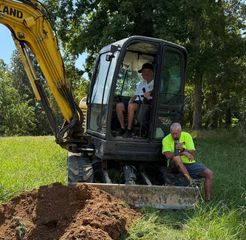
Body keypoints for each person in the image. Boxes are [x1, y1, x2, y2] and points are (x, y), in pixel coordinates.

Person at [162, 122, 213, 201]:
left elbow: (193, 153)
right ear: (170, 132)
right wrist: (184, 153)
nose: (175, 136)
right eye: (173, 134)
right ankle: (190, 180)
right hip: (174, 165)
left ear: (181, 132)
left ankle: (208, 199)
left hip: (189, 164)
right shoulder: (166, 139)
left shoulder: (187, 136)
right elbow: (168, 155)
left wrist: (183, 149)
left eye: (176, 134)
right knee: (176, 158)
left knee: (209, 173)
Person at [116, 63, 154, 137]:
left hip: (145, 103)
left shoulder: (155, 83)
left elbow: (153, 93)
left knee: (131, 106)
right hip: (136, 101)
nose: (142, 74)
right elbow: (136, 94)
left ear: (150, 72)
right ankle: (123, 128)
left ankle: (129, 130)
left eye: (143, 72)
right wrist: (131, 99)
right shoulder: (141, 83)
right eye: (142, 73)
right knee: (119, 105)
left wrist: (149, 93)